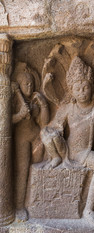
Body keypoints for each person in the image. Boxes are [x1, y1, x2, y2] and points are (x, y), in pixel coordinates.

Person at [41, 56, 94, 227]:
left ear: (92, 85)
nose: (82, 91)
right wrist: (51, 134)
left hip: (84, 152)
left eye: (85, 87)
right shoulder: (67, 108)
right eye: (77, 88)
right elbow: (53, 127)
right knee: (46, 134)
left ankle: (89, 209)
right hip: (65, 149)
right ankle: (56, 159)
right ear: (71, 90)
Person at [12, 63, 49, 221]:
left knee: (40, 162)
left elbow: (44, 121)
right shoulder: (14, 100)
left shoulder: (33, 99)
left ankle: (39, 199)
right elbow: (5, 120)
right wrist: (20, 115)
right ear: (18, 85)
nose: (29, 86)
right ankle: (20, 205)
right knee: (23, 170)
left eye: (31, 83)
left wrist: (43, 104)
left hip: (36, 135)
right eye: (26, 84)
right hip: (22, 138)